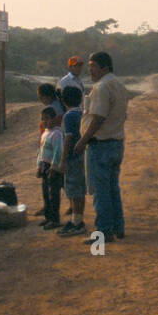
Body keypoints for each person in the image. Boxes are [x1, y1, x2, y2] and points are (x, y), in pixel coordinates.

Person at [72, 51, 129, 244]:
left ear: (104, 67)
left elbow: (98, 117)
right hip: (116, 142)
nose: (90, 70)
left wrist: (83, 140)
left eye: (93, 66)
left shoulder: (102, 87)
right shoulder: (118, 85)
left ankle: (104, 232)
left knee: (99, 191)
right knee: (112, 188)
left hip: (100, 144)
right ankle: (117, 226)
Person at [54, 85, 87, 236]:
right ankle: (76, 220)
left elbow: (69, 138)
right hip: (81, 155)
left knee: (74, 190)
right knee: (78, 189)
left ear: (63, 100)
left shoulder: (68, 116)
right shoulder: (81, 113)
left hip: (73, 157)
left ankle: (78, 222)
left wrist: (63, 160)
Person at [37, 106, 64, 229]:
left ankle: (55, 219)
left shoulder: (57, 134)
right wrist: (39, 166)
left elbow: (58, 151)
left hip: (53, 167)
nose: (45, 121)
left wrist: (54, 166)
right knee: (45, 194)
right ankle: (48, 217)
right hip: (44, 165)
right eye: (43, 119)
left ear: (54, 119)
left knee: (53, 194)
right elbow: (41, 152)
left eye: (48, 119)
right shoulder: (45, 133)